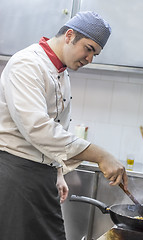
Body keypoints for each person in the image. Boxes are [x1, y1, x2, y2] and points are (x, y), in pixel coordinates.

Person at [0, 11, 128, 240]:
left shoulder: (61, 72)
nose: (90, 59)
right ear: (69, 35)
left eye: (95, 54)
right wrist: (100, 155)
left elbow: (57, 126)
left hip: (41, 176)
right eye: (88, 49)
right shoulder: (27, 64)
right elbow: (38, 128)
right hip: (15, 175)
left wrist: (58, 171)